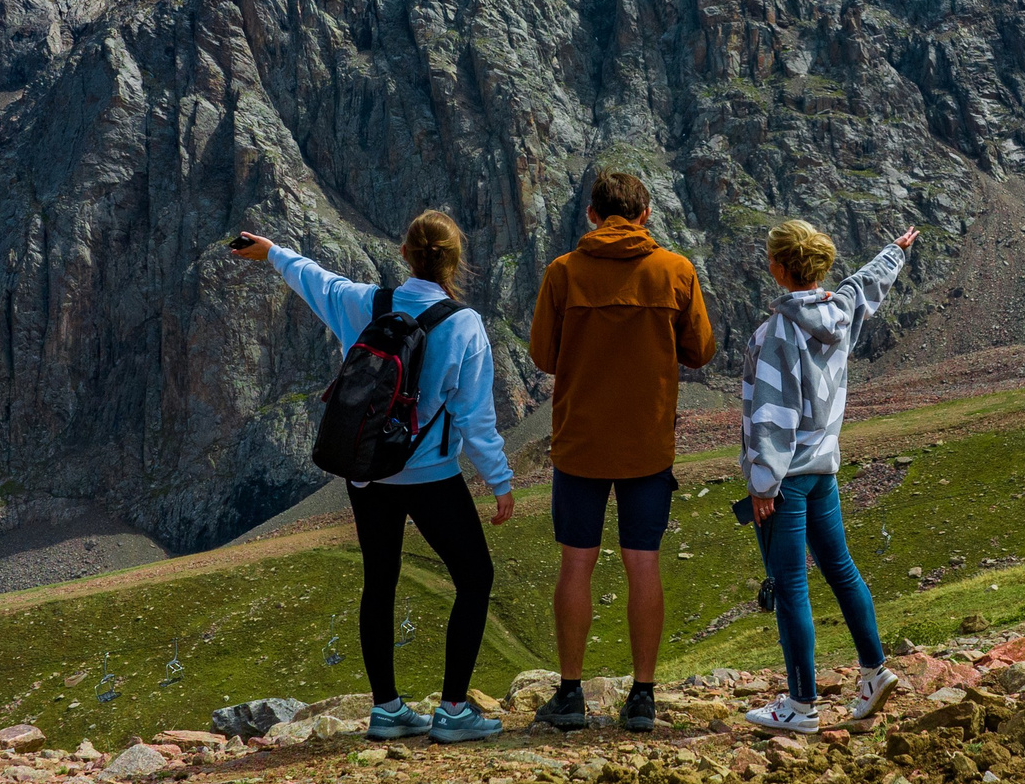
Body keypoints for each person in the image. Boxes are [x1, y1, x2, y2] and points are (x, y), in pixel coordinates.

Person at [231, 213, 513, 744]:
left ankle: (386, 709)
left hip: (367, 475)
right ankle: (453, 710)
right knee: (474, 578)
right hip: (431, 476)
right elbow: (476, 419)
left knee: (379, 582)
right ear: (455, 261)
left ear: (404, 254)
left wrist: (270, 250)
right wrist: (499, 481)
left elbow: (314, 278)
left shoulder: (366, 304)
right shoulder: (464, 324)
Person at [525, 169, 716, 733]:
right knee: (643, 564)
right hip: (648, 447)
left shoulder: (563, 273)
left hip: (580, 444)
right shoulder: (675, 271)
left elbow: (542, 355)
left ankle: (570, 694)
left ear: (592, 215)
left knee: (576, 565)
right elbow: (701, 351)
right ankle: (642, 697)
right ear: (645, 214)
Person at [740, 218, 918, 733]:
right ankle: (873, 672)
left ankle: (800, 707)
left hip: (788, 478)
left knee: (792, 583)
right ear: (818, 265)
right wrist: (894, 253)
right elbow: (862, 288)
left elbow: (772, 416)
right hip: (825, 470)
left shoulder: (775, 334)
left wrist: (762, 485)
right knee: (841, 569)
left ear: (777, 267)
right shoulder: (837, 311)